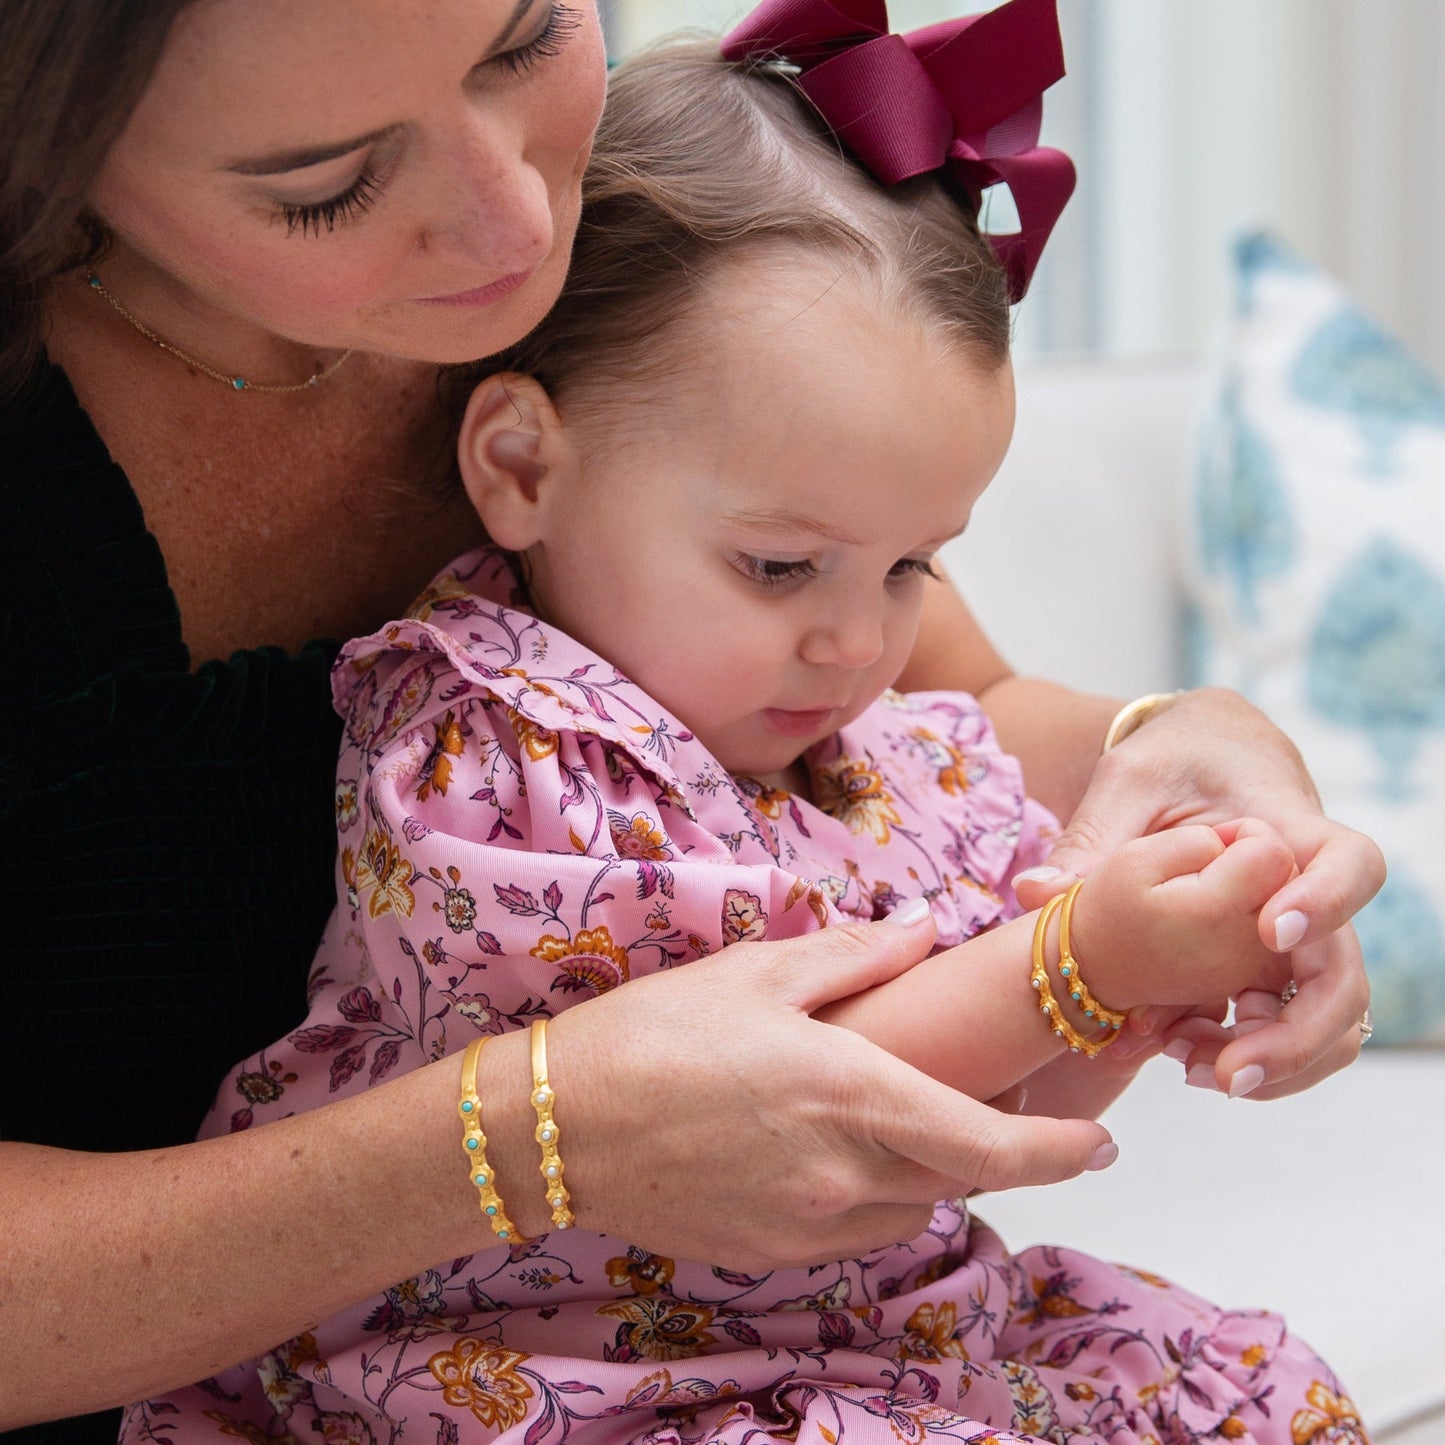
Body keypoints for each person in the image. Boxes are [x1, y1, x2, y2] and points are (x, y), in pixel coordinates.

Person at [0, 0, 1379, 1439]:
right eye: (325, 181)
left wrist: (1191, 766)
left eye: (524, 41)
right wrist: (529, 1139)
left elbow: (950, 711)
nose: (516, 220)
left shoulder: (635, 283)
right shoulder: (502, 752)